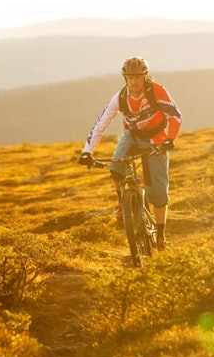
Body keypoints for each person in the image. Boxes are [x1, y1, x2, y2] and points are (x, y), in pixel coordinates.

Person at [78, 57, 182, 250]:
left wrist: (170, 138)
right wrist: (87, 151)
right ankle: (122, 203)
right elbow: (101, 124)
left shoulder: (157, 91)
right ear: (125, 77)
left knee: (158, 193)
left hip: (156, 139)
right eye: (130, 77)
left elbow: (175, 115)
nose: (134, 81)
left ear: (145, 76)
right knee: (116, 167)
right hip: (132, 136)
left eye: (138, 77)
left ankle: (160, 236)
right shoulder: (120, 97)